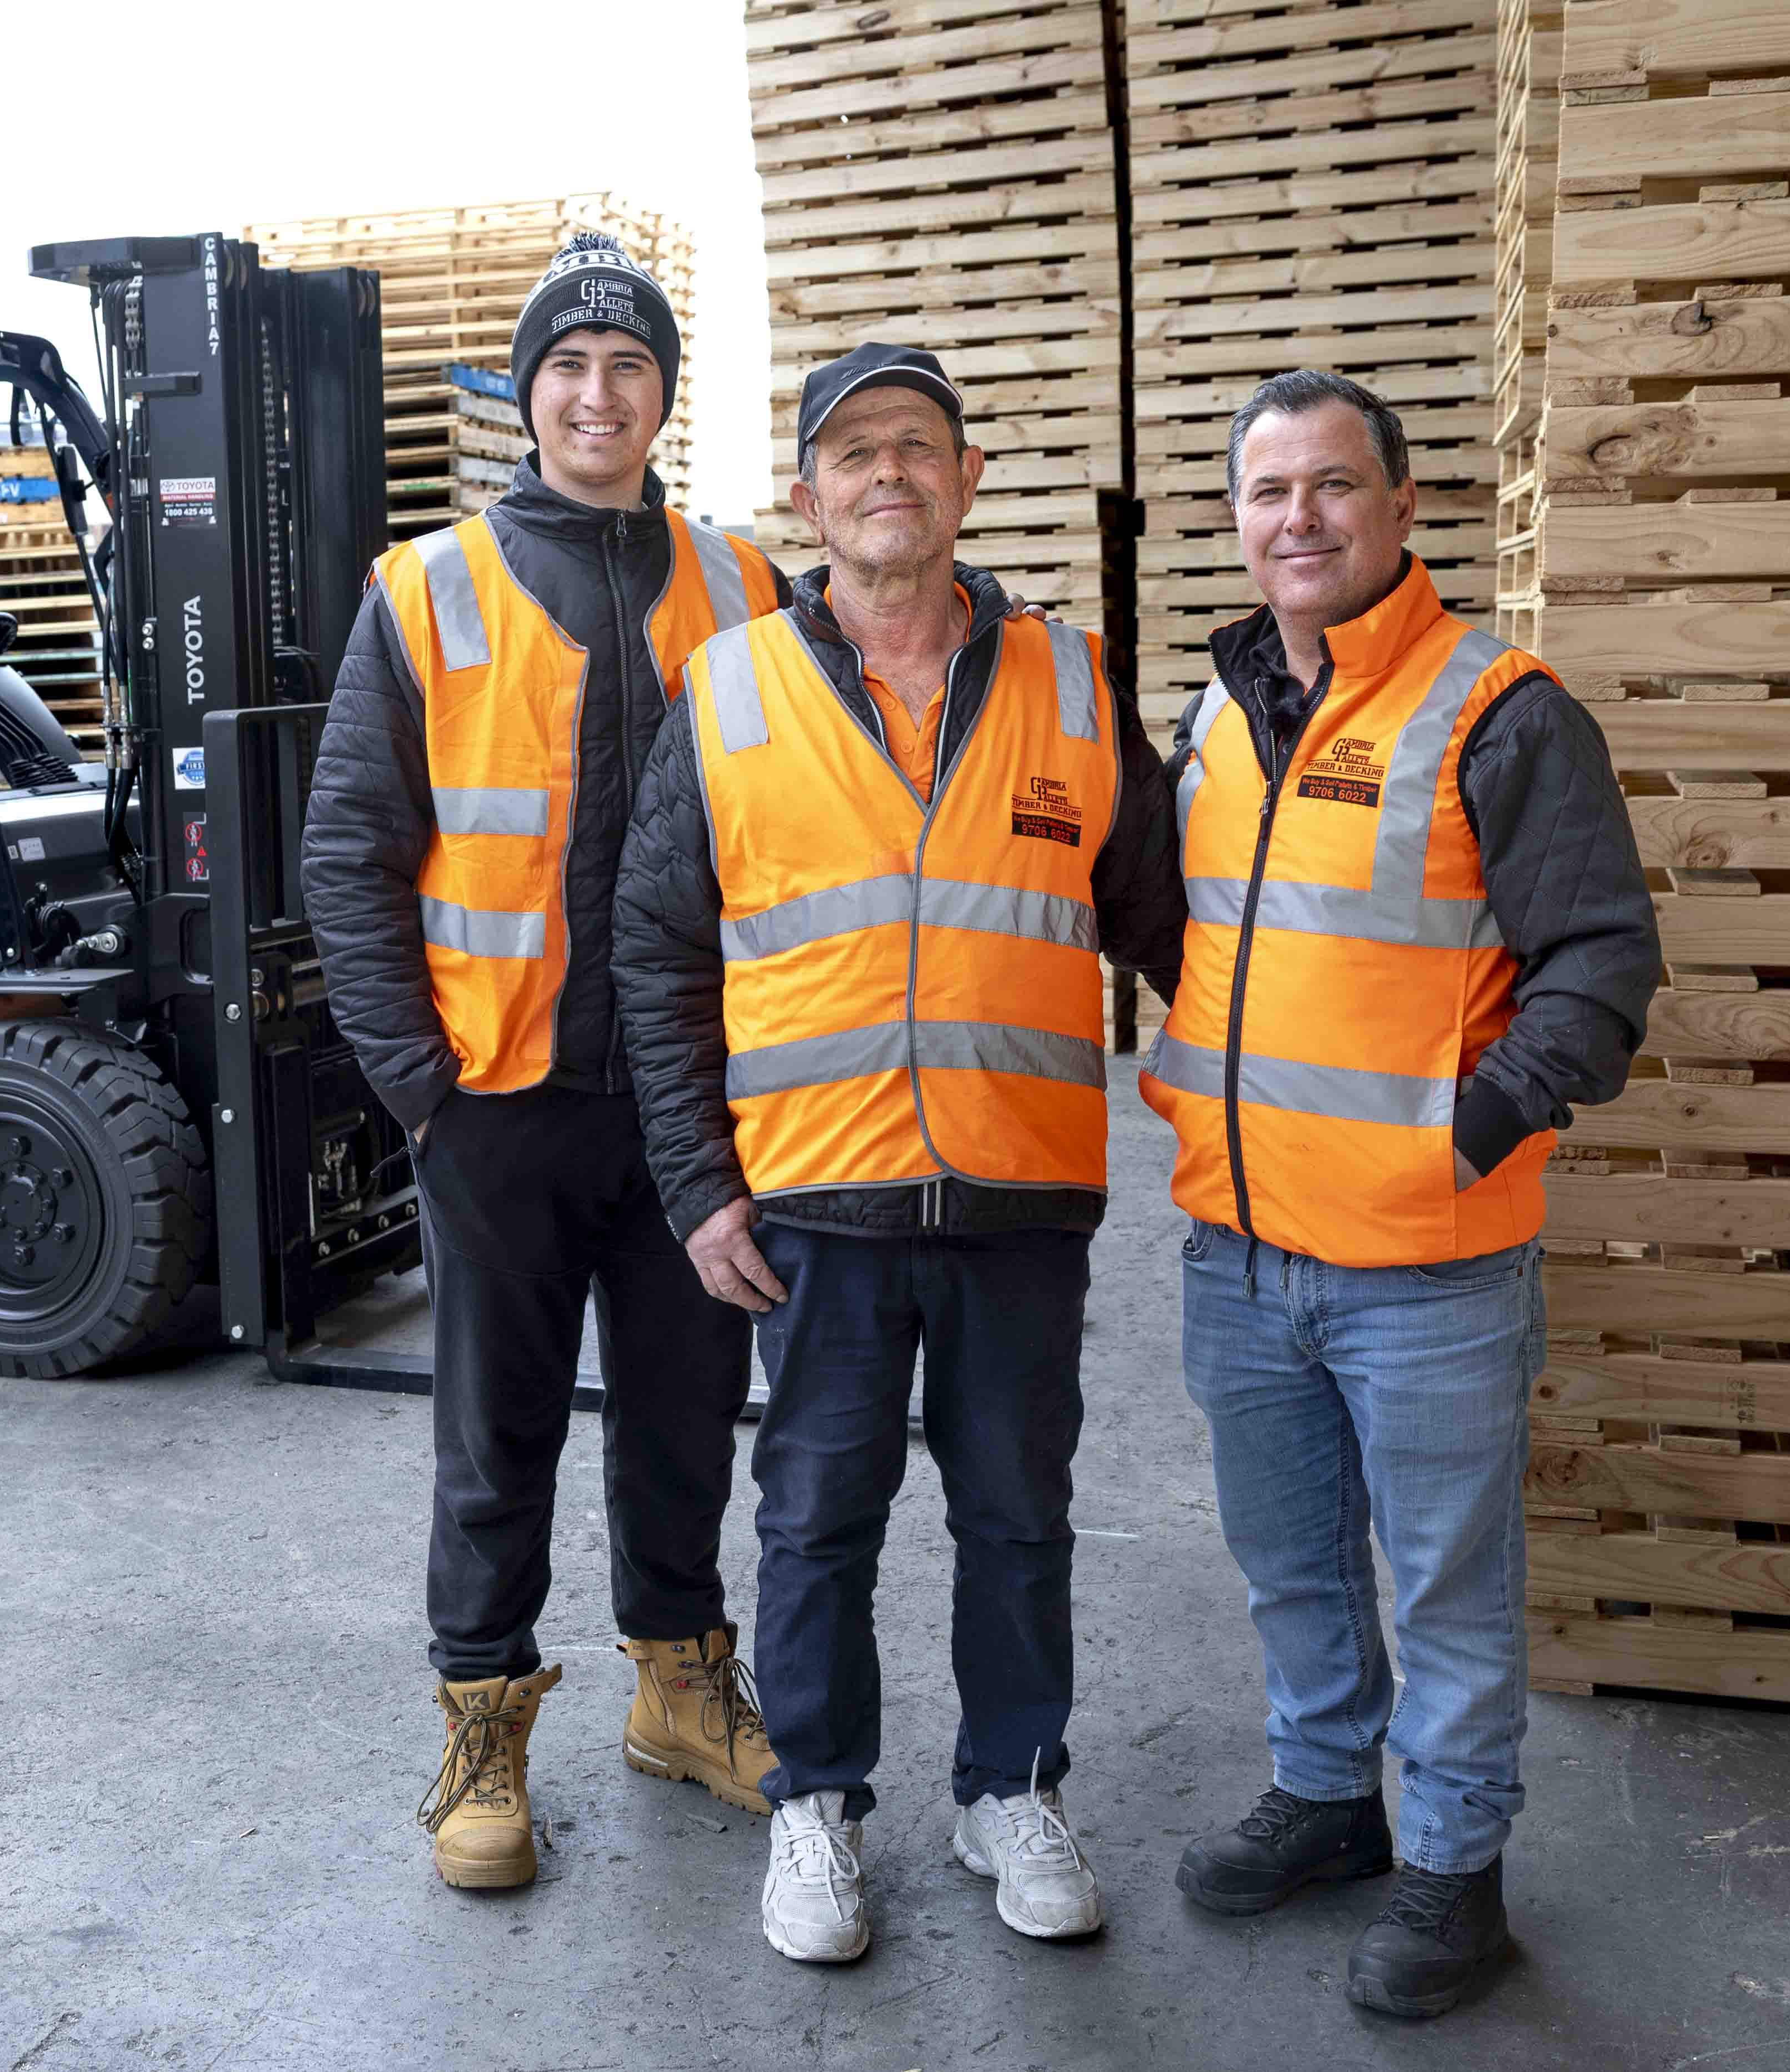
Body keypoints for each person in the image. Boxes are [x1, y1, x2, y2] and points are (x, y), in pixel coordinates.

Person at [616, 342, 1184, 1963]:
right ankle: (816, 1798)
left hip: (1020, 1194)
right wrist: (697, 1184)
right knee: (816, 1520)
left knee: (1019, 1514)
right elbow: (657, 952)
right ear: (809, 499)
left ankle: (1011, 1785)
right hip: (818, 1201)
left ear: (968, 480)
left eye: (919, 445)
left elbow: (1169, 925)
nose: (888, 472)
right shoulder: (730, 692)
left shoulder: (1071, 683)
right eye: (854, 450)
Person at [1142, 369, 1657, 2018]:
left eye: (1333, 485)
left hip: (1427, 1263)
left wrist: (1470, 1128)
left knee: (1447, 1587)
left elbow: (1601, 963)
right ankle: (1329, 1799)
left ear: (1403, 506)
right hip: (1241, 1247)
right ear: (1238, 521)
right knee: (1292, 1562)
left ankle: (1453, 1867)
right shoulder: (1219, 715)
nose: (1298, 518)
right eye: (1268, 492)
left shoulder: (1497, 710)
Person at [299, 233, 787, 1892]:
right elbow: (350, 851)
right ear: (526, 395)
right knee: (495, 1438)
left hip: (692, 1115)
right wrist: (421, 1087)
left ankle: (677, 1688)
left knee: (687, 1416)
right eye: (567, 366)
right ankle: (483, 1729)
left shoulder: (746, 588)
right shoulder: (427, 588)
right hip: (497, 1106)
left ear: (662, 394)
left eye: (629, 364)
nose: (598, 393)